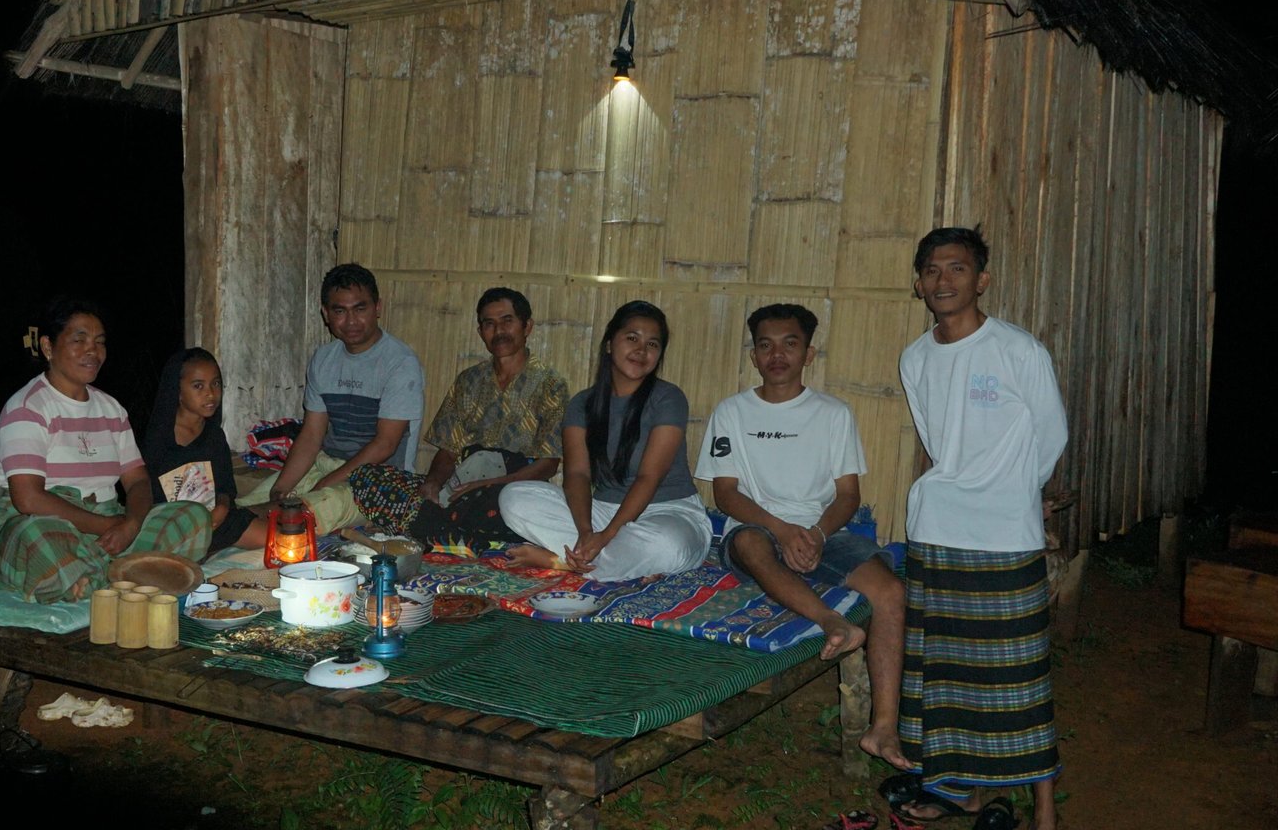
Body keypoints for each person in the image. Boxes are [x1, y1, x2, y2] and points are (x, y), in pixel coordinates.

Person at [897, 227, 1072, 830]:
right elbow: (939, 441)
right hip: (937, 528)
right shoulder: (915, 357)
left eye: (958, 268)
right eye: (932, 270)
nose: (944, 280)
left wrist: (1014, 494)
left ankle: (1046, 820)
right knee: (948, 674)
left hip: (1006, 536)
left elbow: (1051, 432)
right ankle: (962, 790)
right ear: (919, 283)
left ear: (982, 279)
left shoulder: (1018, 349)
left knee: (1023, 683)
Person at [696, 303, 910, 771]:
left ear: (808, 353)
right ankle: (833, 621)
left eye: (790, 344)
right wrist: (783, 530)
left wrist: (814, 533)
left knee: (891, 591)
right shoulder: (732, 411)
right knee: (751, 544)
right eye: (766, 345)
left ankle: (885, 726)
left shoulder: (833, 413)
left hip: (823, 531)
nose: (777, 355)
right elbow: (726, 494)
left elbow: (849, 495)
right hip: (757, 528)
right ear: (753, 355)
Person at [0, 297, 213, 603]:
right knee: (37, 538)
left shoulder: (111, 409)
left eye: (99, 342)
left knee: (192, 517)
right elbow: (28, 498)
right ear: (48, 347)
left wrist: (130, 524)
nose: (93, 350)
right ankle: (129, 575)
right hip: (44, 521)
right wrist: (107, 526)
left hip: (109, 523)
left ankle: (96, 578)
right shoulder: (27, 407)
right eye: (79, 340)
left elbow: (139, 482)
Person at [498, 300, 711, 580]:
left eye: (652, 344)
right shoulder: (582, 404)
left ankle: (560, 561)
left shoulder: (668, 398)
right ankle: (608, 564)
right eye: (632, 338)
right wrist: (587, 532)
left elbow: (649, 477)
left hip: (669, 513)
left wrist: (607, 536)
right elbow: (577, 473)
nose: (641, 350)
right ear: (610, 344)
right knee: (513, 497)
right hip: (601, 511)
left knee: (667, 545)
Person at [349, 287, 569, 547]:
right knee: (367, 477)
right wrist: (432, 484)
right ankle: (450, 531)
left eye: (507, 321)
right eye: (489, 323)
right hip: (461, 486)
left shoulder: (550, 384)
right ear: (480, 332)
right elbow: (449, 450)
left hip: (513, 490)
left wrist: (489, 484)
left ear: (527, 326)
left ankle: (439, 528)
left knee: (512, 506)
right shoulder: (469, 381)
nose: (498, 331)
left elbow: (549, 464)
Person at [236, 263, 425, 534]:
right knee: (248, 505)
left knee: (299, 516)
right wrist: (280, 488)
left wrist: (324, 484)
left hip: (379, 480)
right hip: (326, 464)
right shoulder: (324, 359)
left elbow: (385, 444)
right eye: (340, 311)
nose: (351, 321)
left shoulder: (400, 362)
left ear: (378, 308)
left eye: (360, 309)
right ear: (326, 314)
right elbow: (312, 435)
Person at [142, 347, 265, 554]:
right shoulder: (157, 438)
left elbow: (225, 486)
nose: (210, 393)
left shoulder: (213, 436)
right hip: (174, 528)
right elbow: (147, 496)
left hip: (216, 522)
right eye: (198, 386)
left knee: (280, 542)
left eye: (215, 383)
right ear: (178, 391)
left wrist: (223, 508)